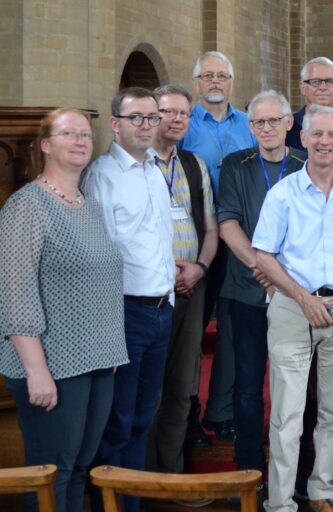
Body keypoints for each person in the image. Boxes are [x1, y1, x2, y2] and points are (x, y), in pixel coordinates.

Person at [0, 108, 127, 512]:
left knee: (79, 468)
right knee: (52, 472)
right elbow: (14, 294)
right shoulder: (27, 206)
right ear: (45, 145)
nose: (80, 141)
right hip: (53, 365)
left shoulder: (88, 205)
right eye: (69, 133)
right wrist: (36, 371)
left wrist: (109, 350)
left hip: (97, 361)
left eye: (86, 135)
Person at [252, 104, 333, 512]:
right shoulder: (283, 193)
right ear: (301, 138)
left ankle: (322, 492)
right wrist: (303, 298)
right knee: (287, 414)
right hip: (292, 307)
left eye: (331, 135)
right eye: (316, 134)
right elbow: (263, 254)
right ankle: (281, 502)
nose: (324, 142)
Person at [84, 87, 176, 512]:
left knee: (142, 418)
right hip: (123, 311)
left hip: (160, 309)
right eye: (135, 117)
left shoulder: (155, 169)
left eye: (152, 117)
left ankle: (132, 504)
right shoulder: (102, 176)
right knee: (117, 422)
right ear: (115, 124)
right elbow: (98, 254)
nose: (145, 125)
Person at [218, 90, 306, 475]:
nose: (266, 128)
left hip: (297, 293)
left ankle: (295, 474)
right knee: (248, 386)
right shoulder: (235, 164)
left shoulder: (306, 163)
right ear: (250, 126)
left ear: (289, 122)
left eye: (273, 120)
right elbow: (227, 223)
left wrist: (282, 277)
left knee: (296, 387)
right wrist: (263, 267)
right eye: (258, 122)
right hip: (248, 289)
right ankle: (249, 471)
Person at [180, 51, 258, 444]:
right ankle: (185, 413)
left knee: (230, 329)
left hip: (240, 236)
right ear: (196, 82)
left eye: (222, 75)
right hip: (195, 237)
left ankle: (222, 411)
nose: (215, 81)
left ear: (231, 81)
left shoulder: (249, 124)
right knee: (191, 332)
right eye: (207, 75)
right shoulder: (184, 123)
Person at [146, 84, 219, 490]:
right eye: (167, 112)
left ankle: (170, 476)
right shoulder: (133, 164)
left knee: (181, 384)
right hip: (147, 293)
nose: (176, 119)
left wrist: (200, 268)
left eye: (183, 113)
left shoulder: (193, 164)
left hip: (191, 288)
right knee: (147, 387)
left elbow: (210, 227)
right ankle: (142, 479)